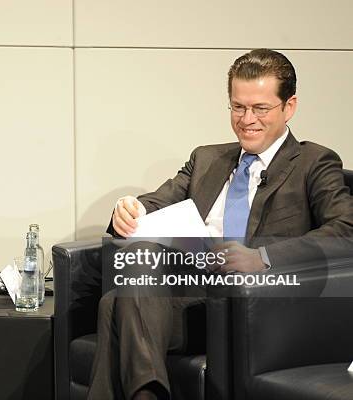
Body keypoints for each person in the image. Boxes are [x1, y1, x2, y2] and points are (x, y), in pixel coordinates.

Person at [89, 49, 353, 399]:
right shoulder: (207, 158)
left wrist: (261, 256)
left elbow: (345, 230)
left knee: (115, 304)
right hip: (192, 295)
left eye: (260, 108)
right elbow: (155, 203)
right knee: (137, 261)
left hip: (254, 303)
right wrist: (129, 207)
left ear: (289, 106)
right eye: (238, 107)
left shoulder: (313, 162)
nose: (247, 119)